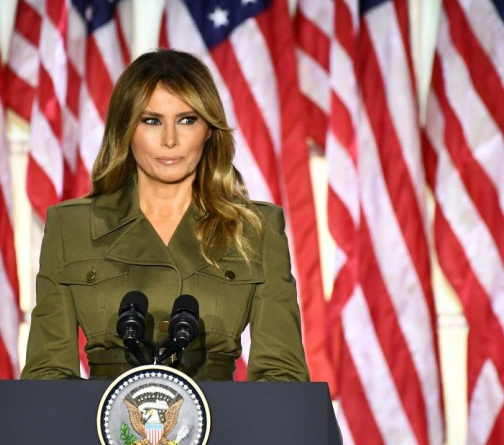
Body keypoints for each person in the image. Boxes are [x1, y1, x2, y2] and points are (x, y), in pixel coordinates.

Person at [21, 49, 309, 383]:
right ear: (126, 129)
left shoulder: (257, 229)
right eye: (152, 120)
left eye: (187, 120)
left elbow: (282, 377)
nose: (170, 140)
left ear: (209, 130)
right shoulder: (71, 227)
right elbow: (47, 376)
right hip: (98, 427)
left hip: (223, 427)